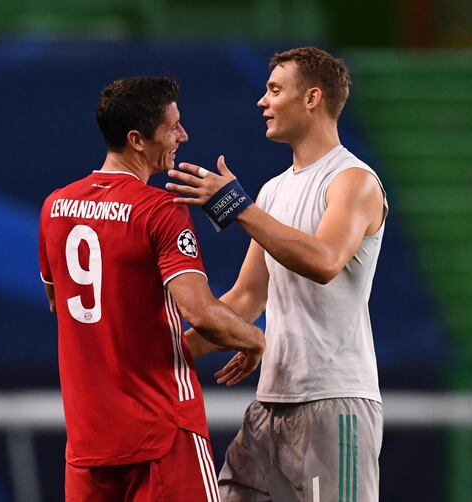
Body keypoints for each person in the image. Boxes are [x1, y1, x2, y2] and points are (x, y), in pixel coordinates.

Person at [166, 47, 388, 501]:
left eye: (274, 90)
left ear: (311, 98)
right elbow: (247, 297)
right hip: (270, 402)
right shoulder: (274, 189)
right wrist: (166, 355)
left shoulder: (354, 181)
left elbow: (325, 260)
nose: (261, 102)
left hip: (334, 403)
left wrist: (237, 207)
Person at [38, 76, 265, 502]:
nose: (184, 135)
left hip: (89, 440)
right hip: (163, 431)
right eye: (173, 127)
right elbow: (201, 313)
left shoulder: (55, 206)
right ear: (137, 140)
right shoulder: (159, 209)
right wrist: (258, 342)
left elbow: (60, 303)